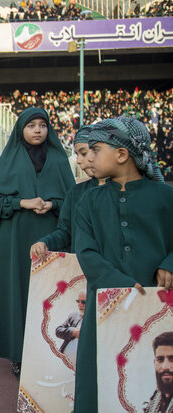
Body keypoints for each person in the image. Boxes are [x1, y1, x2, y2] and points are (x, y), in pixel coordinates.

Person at [73, 117, 173, 413]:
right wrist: (120, 285)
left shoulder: (166, 197)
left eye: (96, 149)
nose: (88, 157)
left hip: (157, 305)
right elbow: (86, 252)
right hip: (103, 305)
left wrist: (170, 263)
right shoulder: (88, 201)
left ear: (121, 154)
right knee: (98, 378)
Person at [0, 107, 74, 377]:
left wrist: (52, 203)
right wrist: (23, 202)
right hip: (15, 242)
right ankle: (19, 355)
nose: (37, 130)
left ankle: (54, 350)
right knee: (18, 294)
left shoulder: (58, 159)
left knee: (49, 294)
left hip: (52, 238)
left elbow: (71, 199)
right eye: (31, 125)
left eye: (42, 125)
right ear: (20, 129)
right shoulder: (9, 159)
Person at [30, 124, 105, 260]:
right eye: (77, 154)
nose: (79, 161)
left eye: (84, 153)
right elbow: (66, 232)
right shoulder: (76, 193)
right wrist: (45, 242)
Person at [144, 331, 173, 413]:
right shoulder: (155, 400)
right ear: (154, 362)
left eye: (172, 359)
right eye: (160, 359)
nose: (165, 367)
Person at [55, 290, 86, 365]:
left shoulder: (97, 319)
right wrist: (73, 332)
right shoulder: (73, 316)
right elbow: (58, 331)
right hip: (65, 365)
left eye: (83, 302)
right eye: (78, 301)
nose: (80, 304)